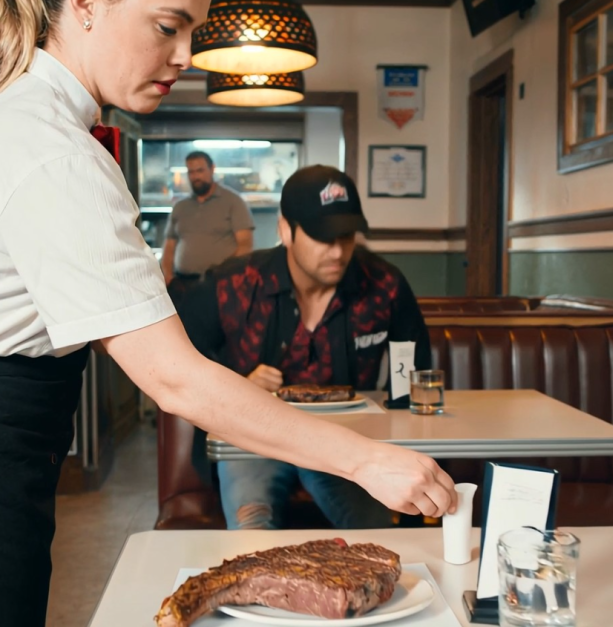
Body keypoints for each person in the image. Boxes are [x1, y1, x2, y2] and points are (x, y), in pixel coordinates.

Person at [0, 0, 455, 626]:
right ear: (85, 2)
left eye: (191, 31)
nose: (185, 57)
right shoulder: (48, 150)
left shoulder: (30, 120)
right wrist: (366, 459)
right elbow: (175, 378)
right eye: (167, 27)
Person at [175, 165, 432, 530]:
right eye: (321, 236)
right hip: (254, 437)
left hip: (345, 438)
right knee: (253, 532)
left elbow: (414, 370)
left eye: (346, 236)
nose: (337, 251)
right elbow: (180, 359)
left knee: (382, 532)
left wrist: (396, 428)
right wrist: (237, 382)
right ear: (285, 230)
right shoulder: (233, 284)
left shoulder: (384, 285)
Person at [160, 150, 254, 285]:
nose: (195, 177)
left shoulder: (233, 202)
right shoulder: (180, 207)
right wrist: (167, 275)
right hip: (182, 283)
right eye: (191, 172)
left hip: (220, 284)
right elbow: (169, 245)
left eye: (200, 171)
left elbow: (245, 246)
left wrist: (226, 274)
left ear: (212, 169)